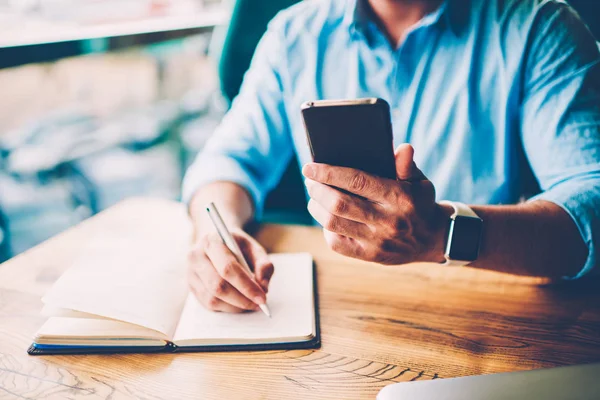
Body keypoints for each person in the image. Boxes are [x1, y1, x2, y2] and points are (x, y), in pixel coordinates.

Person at [183, 0, 600, 313]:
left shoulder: (539, 27)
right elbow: (228, 161)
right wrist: (214, 232)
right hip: (339, 308)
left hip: (487, 311)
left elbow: (591, 202)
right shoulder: (294, 34)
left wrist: (442, 234)